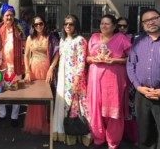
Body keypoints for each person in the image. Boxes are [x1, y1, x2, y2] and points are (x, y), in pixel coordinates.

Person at [127, 8, 160, 149]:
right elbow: (130, 65)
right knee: (144, 136)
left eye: (154, 18)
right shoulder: (138, 41)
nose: (150, 22)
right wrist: (138, 86)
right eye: (146, 21)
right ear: (142, 25)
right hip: (142, 96)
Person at [87, 14, 131, 149]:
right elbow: (87, 58)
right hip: (95, 78)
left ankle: (113, 142)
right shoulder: (94, 37)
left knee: (113, 109)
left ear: (114, 26)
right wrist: (93, 59)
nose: (103, 26)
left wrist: (116, 60)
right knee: (96, 108)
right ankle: (98, 139)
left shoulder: (121, 39)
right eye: (101, 23)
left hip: (114, 78)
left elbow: (131, 59)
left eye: (107, 24)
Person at [53, 14, 88, 145]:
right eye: (66, 24)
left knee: (74, 105)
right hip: (63, 76)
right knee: (64, 104)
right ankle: (63, 131)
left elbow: (81, 61)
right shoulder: (62, 40)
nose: (68, 26)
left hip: (74, 78)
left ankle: (77, 134)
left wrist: (76, 80)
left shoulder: (80, 40)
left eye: (71, 24)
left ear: (76, 26)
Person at [23, 15, 59, 135]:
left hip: (46, 69)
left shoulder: (51, 38)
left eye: (40, 24)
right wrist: (27, 71)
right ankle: (34, 124)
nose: (38, 26)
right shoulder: (30, 38)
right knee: (34, 97)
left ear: (44, 24)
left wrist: (51, 68)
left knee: (47, 96)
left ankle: (46, 124)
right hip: (34, 70)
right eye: (36, 24)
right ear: (33, 26)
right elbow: (26, 55)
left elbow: (57, 54)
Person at [0, 3, 26, 127]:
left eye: (11, 15)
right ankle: (2, 114)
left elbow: (25, 44)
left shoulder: (19, 28)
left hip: (15, 65)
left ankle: (14, 117)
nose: (9, 18)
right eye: (7, 15)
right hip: (1, 65)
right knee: (0, 90)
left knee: (15, 92)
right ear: (2, 17)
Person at [117, 17, 138, 143]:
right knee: (117, 106)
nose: (121, 28)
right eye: (119, 26)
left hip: (130, 77)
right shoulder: (111, 40)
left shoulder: (133, 40)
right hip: (115, 78)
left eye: (124, 26)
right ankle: (119, 134)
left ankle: (131, 136)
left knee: (130, 107)